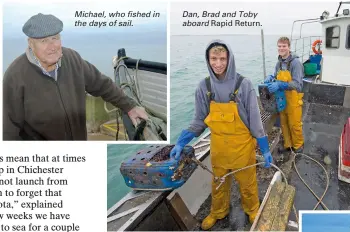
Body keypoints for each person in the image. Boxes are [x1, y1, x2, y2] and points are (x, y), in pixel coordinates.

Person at [170, 40, 273, 230]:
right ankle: (219, 212)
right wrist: (180, 142)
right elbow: (199, 121)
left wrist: (265, 149)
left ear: (230, 59)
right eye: (213, 59)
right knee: (218, 184)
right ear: (208, 60)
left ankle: (252, 210)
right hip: (218, 149)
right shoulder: (204, 87)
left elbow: (256, 123)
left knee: (248, 185)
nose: (218, 63)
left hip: (242, 149)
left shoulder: (244, 84)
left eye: (222, 59)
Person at [3, 13, 148, 140]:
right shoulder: (15, 76)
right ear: (30, 43)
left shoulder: (72, 59)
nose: (52, 46)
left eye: (55, 38)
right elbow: (8, 130)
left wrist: (129, 107)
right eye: (43, 41)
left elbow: (102, 84)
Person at [264, 36, 305, 153]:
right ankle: (288, 145)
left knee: (295, 125)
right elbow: (276, 76)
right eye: (279, 46)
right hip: (281, 100)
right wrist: (271, 77)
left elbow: (298, 85)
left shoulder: (296, 63)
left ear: (289, 47)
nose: (281, 48)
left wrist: (280, 85)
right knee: (284, 124)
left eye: (284, 46)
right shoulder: (279, 63)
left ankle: (298, 145)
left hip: (293, 100)